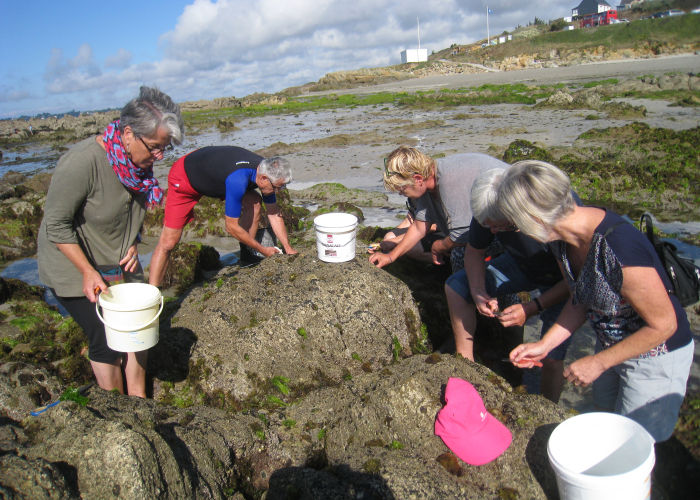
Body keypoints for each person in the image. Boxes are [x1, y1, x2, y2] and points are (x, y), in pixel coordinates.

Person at [501, 160, 694, 442]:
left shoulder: (617, 247)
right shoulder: (560, 240)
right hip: (611, 346)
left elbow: (665, 325)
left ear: (535, 217)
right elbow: (580, 299)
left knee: (633, 443)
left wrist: (598, 363)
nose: (517, 230)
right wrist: (545, 344)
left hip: (656, 356)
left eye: (516, 222)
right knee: (606, 426)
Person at [38, 86, 184, 398]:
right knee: (106, 338)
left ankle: (139, 400)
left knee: (140, 330)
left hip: (118, 261)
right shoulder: (81, 163)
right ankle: (118, 410)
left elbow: (128, 213)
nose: (159, 157)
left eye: (165, 149)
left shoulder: (137, 167)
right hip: (74, 265)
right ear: (128, 133)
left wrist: (135, 240)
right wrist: (87, 272)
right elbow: (56, 225)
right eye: (156, 147)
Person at [444, 168, 573, 402]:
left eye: (500, 227)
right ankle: (466, 366)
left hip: (563, 283)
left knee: (552, 358)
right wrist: (478, 291)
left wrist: (532, 307)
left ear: (515, 210)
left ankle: (547, 410)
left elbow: (576, 283)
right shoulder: (488, 210)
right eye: (488, 226)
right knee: (456, 286)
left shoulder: (549, 218)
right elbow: (474, 251)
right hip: (521, 264)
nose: (493, 232)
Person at [148, 146, 297, 286]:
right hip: (185, 176)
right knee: (169, 242)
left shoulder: (266, 173)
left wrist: (288, 248)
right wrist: (264, 250)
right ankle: (152, 293)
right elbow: (231, 227)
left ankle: (247, 255)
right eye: (277, 187)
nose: (278, 191)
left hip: (214, 173)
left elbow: (273, 213)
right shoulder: (238, 180)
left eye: (282, 187)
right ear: (263, 179)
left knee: (254, 201)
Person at [368, 146, 504, 269]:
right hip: (495, 222)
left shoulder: (448, 180)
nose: (400, 193)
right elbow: (418, 227)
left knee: (460, 254)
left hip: (515, 221)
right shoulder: (428, 186)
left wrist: (440, 245)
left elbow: (463, 234)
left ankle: (474, 294)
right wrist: (390, 257)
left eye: (402, 188)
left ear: (418, 179)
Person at [369, 200, 441, 264]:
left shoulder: (427, 195)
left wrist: (395, 241)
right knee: (389, 236)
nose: (400, 193)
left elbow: (434, 226)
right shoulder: (412, 196)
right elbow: (409, 221)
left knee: (413, 248)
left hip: (441, 232)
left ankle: (440, 264)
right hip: (421, 227)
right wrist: (386, 243)